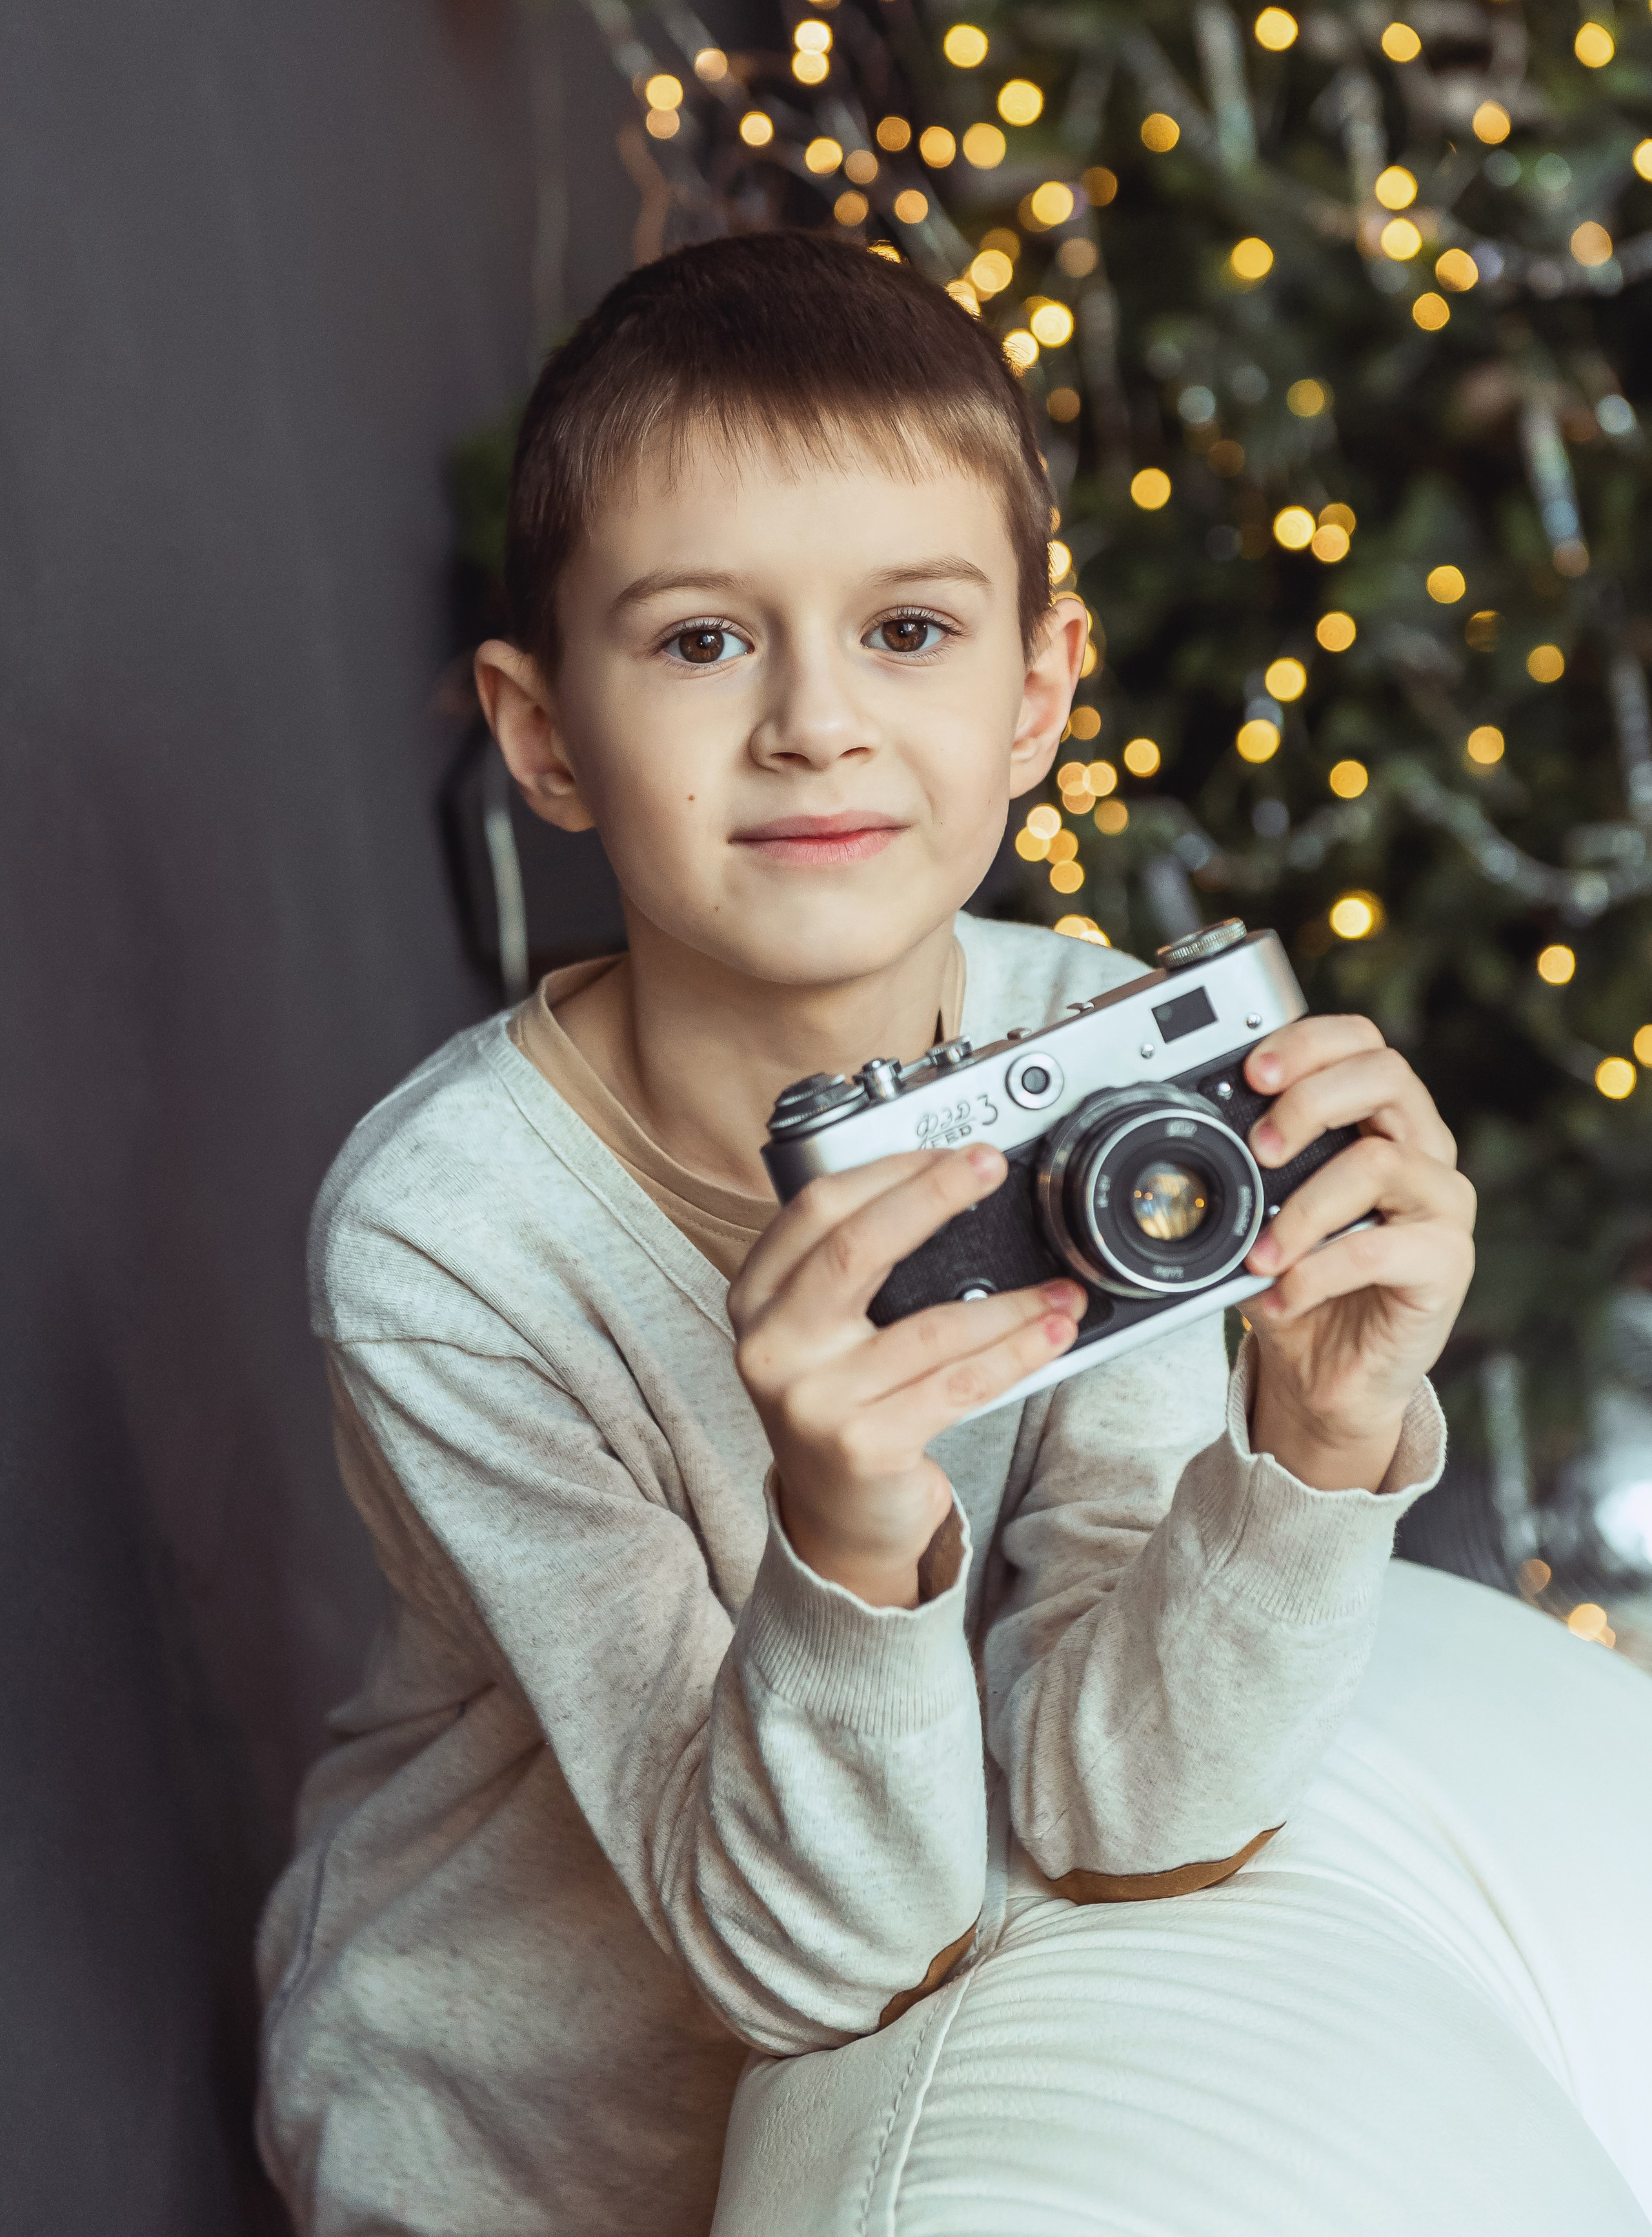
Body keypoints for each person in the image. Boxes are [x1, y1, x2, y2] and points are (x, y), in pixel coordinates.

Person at [254, 231, 1626, 2237]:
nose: (816, 721)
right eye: (702, 639)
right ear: (543, 736)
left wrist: (1318, 1448)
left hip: (957, 2118)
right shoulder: (448, 1237)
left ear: (1036, 690)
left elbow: (1126, 1812)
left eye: (908, 629)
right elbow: (819, 1957)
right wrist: (844, 1519)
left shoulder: (1090, 1069)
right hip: (527, 2145)